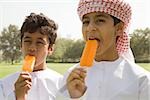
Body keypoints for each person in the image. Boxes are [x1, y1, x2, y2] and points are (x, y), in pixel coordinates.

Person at [63, 0, 150, 100]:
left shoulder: (141, 79)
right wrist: (74, 97)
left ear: (119, 29)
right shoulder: (71, 77)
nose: (90, 28)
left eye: (100, 20)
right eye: (86, 22)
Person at [0, 13, 63, 100]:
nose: (32, 48)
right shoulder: (4, 85)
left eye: (39, 42)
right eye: (27, 41)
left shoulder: (61, 84)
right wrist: (19, 97)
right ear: (21, 45)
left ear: (50, 48)